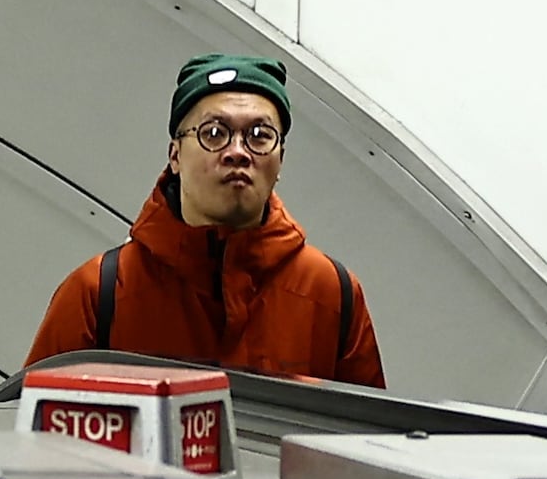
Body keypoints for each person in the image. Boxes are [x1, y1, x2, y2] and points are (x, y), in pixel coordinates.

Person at [24, 47, 386, 385]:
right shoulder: (101, 292)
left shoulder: (332, 294)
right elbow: (36, 437)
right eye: (215, 133)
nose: (238, 152)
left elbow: (367, 442)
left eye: (260, 135)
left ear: (281, 159)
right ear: (175, 155)